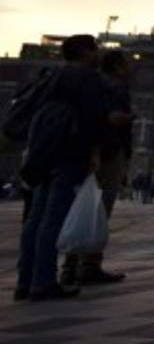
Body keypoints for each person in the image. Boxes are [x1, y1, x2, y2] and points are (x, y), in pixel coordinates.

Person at [16, 34, 127, 302]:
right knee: (54, 218)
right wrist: (97, 146)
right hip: (70, 152)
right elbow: (93, 116)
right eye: (94, 49)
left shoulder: (51, 76)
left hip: (43, 152)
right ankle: (43, 283)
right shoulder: (87, 78)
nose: (97, 54)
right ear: (85, 52)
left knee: (36, 218)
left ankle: (25, 281)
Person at [61, 50, 133, 287]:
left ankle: (69, 266)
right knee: (100, 211)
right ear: (117, 66)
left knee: (81, 208)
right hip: (108, 152)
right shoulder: (116, 86)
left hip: (87, 151)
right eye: (127, 63)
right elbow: (111, 119)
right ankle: (90, 265)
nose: (130, 67)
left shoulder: (89, 83)